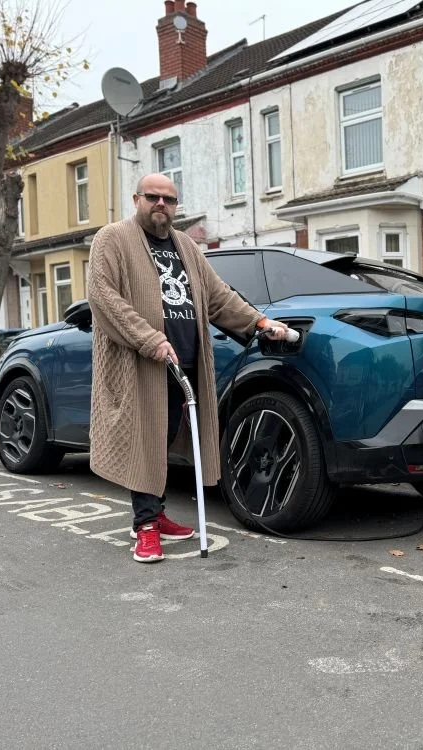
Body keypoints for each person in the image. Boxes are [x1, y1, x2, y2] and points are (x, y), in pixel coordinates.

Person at [86, 173, 291, 563]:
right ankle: (145, 526)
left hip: (185, 361)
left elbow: (217, 297)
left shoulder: (185, 246)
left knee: (163, 440)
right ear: (136, 199)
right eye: (153, 197)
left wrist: (259, 322)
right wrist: (149, 339)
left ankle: (156, 514)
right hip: (141, 361)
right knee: (145, 441)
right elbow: (103, 296)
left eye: (169, 199)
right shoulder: (112, 238)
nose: (161, 204)